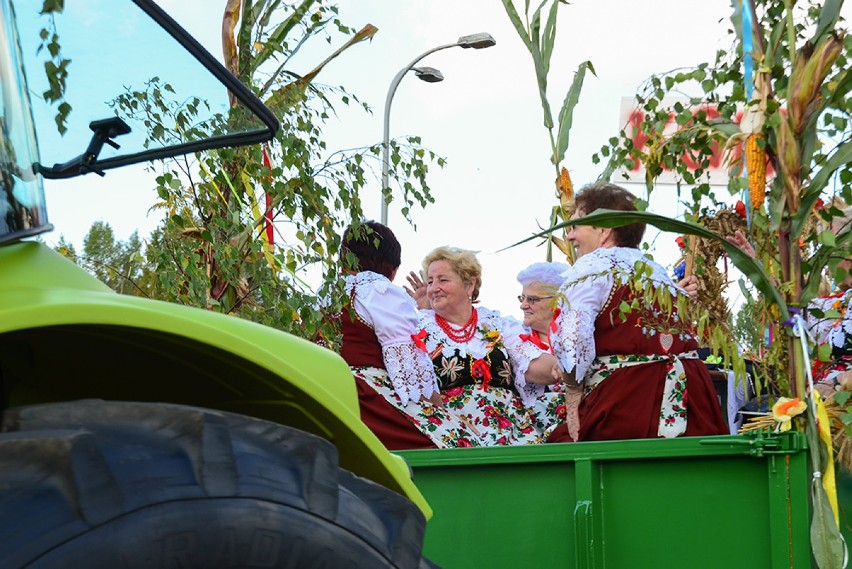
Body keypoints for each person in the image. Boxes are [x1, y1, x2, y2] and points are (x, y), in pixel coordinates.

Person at [549, 182, 728, 442]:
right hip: (693, 404)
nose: (569, 236)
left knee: (560, 450)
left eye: (576, 226)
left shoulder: (592, 267)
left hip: (629, 402)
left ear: (604, 229)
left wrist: (572, 389)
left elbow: (572, 340)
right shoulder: (657, 272)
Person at [403, 246, 564, 446]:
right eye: (430, 281)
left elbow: (529, 361)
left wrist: (563, 367)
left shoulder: (497, 323)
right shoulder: (418, 328)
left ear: (469, 285)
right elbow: (414, 389)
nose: (434, 288)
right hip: (452, 429)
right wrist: (450, 421)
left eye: (443, 280)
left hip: (511, 427)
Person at [337, 220, 443, 450]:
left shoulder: (323, 295)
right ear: (391, 269)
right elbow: (411, 370)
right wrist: (439, 411)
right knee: (454, 441)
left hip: (326, 395)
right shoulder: (379, 290)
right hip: (366, 404)